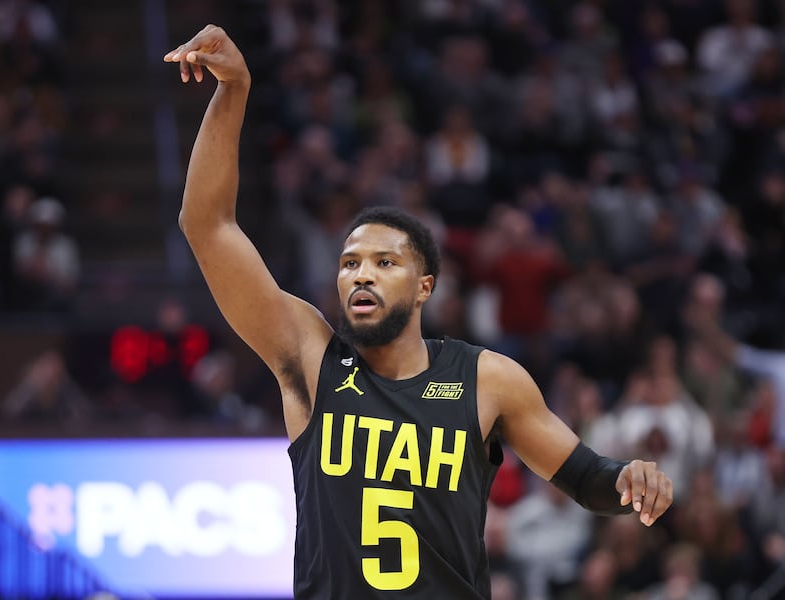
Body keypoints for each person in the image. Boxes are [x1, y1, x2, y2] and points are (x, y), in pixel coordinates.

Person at [165, 25, 673, 599]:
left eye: (386, 262)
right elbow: (207, 226)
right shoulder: (310, 358)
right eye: (351, 261)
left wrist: (630, 477)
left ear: (425, 286)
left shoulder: (486, 380)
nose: (362, 273)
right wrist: (234, 89)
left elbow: (586, 479)